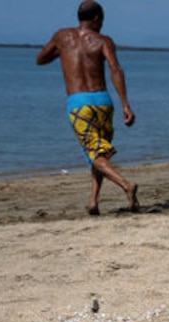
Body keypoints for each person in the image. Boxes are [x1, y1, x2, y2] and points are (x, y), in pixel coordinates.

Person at [36, 0, 139, 215]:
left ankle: (126, 185)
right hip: (103, 102)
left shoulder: (62, 37)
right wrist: (126, 105)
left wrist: (62, 52)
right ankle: (93, 201)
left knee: (95, 155)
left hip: (79, 104)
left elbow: (40, 59)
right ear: (96, 19)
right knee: (99, 153)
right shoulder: (103, 40)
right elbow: (115, 69)